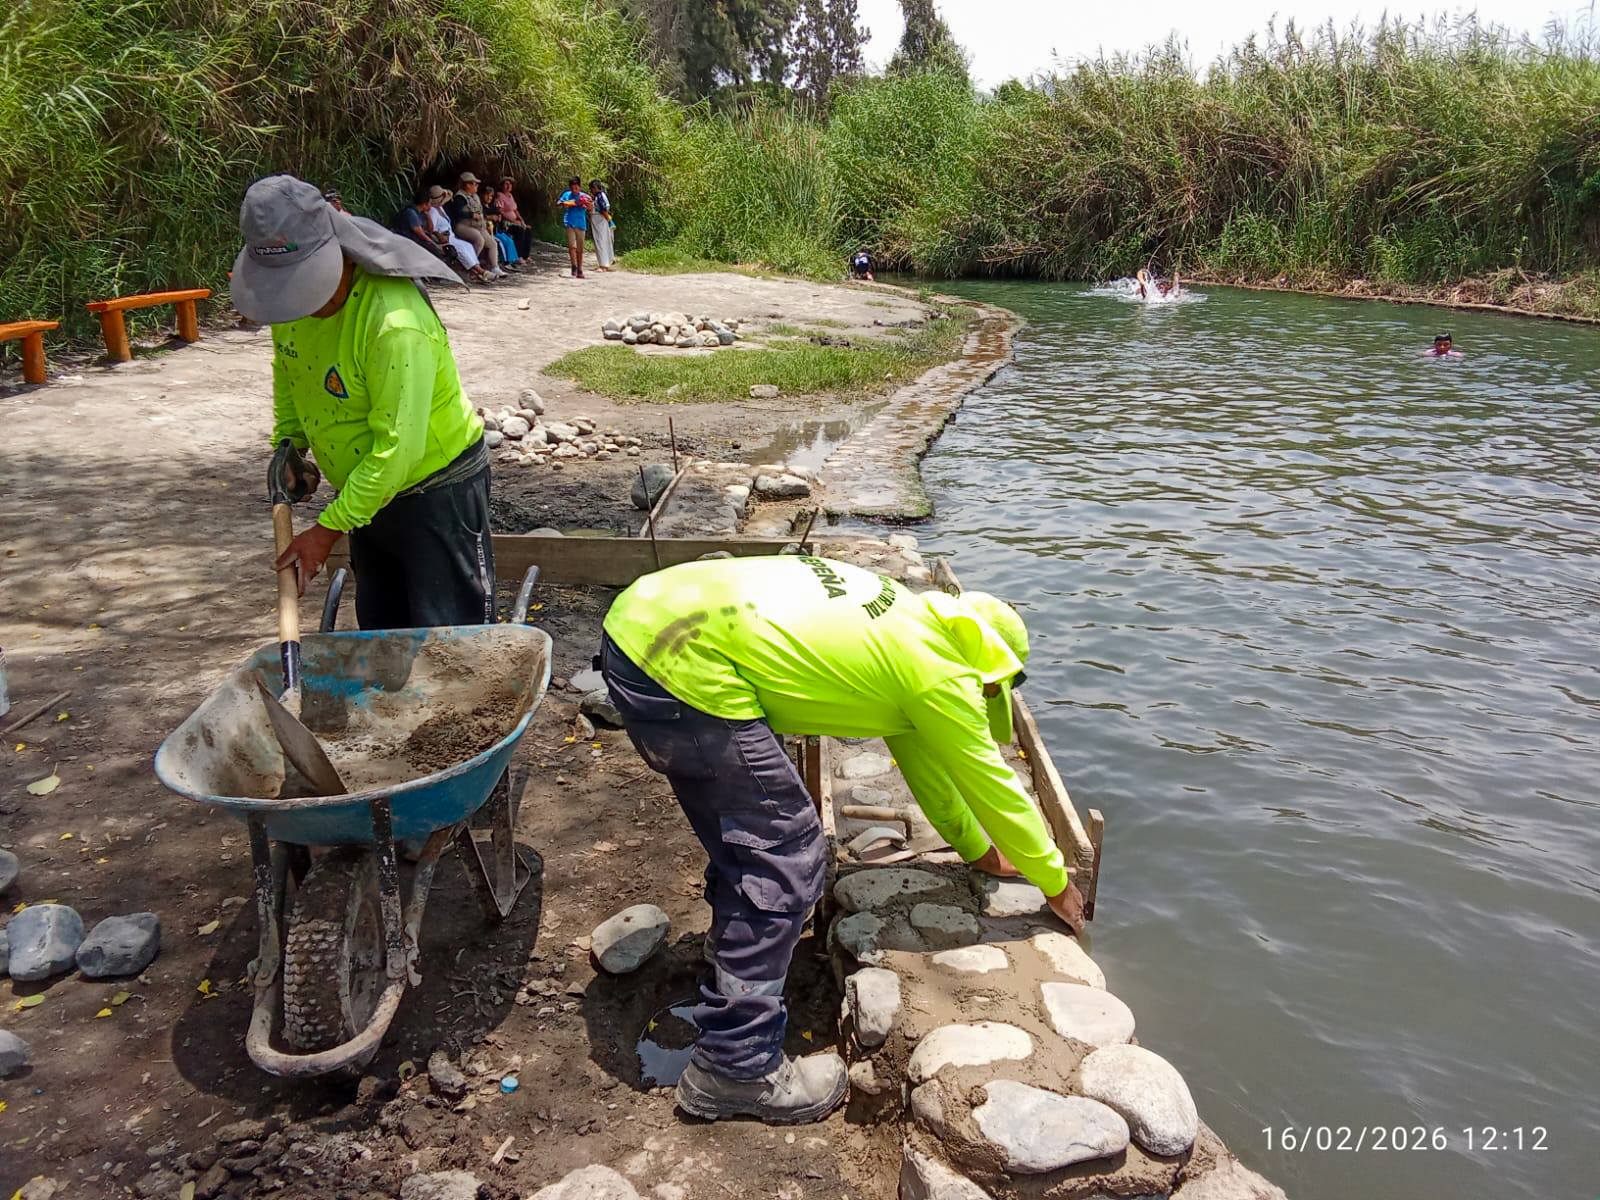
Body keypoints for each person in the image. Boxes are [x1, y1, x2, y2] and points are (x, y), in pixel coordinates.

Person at [599, 555, 1086, 1124]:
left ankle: (737, 959)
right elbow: (995, 782)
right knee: (786, 850)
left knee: (748, 827)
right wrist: (1053, 880)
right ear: (990, 673)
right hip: (683, 663)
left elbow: (930, 773)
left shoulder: (909, 620)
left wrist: (980, 852)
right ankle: (734, 1066)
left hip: (642, 622)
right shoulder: (940, 673)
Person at [232, 174, 495, 629]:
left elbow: (397, 451)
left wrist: (326, 529)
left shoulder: (393, 324)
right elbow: (291, 368)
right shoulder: (292, 308)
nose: (297, 305)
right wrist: (289, 443)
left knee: (451, 639)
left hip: (435, 489)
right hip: (367, 493)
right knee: (383, 631)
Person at [394, 187, 487, 284]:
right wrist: (434, 244)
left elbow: (429, 229)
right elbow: (420, 233)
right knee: (438, 250)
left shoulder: (421, 213)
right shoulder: (411, 213)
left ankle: (470, 271)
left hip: (417, 239)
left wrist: (428, 216)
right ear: (425, 204)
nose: (431, 206)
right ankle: (437, 276)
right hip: (408, 241)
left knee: (451, 248)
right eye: (429, 203)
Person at [445, 172, 503, 279]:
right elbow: (459, 213)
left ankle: (495, 267)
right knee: (479, 240)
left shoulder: (475, 197)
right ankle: (472, 267)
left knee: (492, 243)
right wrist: (472, 215)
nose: (476, 186)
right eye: (474, 184)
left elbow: (481, 211)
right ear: (467, 185)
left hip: (478, 226)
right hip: (463, 226)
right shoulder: (460, 197)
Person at [425, 189, 489, 283]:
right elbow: (431, 228)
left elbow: (449, 196)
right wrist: (439, 236)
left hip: (451, 237)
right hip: (443, 238)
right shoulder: (433, 211)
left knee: (468, 246)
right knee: (460, 248)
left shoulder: (440, 208)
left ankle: (474, 271)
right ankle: (481, 271)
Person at [482, 185, 521, 272]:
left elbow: (499, 213)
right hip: (488, 231)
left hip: (496, 230)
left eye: (491, 196)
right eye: (487, 195)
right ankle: (505, 262)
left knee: (509, 240)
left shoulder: (492, 207)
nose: (489, 197)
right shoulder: (481, 207)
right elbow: (482, 216)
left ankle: (512, 260)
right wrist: (490, 217)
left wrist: (498, 216)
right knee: (501, 242)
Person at [557, 176, 590, 278]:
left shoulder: (585, 196)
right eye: (572, 188)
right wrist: (569, 203)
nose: (574, 190)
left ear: (580, 187)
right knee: (572, 246)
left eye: (576, 187)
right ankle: (574, 266)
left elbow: (591, 207)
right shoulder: (567, 194)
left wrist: (585, 204)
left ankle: (580, 268)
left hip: (580, 224)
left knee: (580, 248)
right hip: (570, 222)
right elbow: (558, 203)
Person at [495, 177, 534, 259]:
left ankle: (525, 255)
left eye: (510, 184)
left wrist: (521, 220)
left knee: (528, 230)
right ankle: (518, 256)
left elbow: (515, 210)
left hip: (515, 221)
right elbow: (500, 212)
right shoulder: (500, 196)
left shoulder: (510, 196)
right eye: (506, 184)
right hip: (506, 223)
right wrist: (513, 221)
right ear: (502, 186)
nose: (508, 186)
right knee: (519, 230)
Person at [589, 179, 616, 270]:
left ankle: (603, 265)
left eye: (592, 188)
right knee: (603, 241)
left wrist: (608, 219)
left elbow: (603, 209)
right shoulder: (599, 196)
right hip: (599, 221)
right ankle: (605, 263)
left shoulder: (600, 196)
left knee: (601, 242)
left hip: (600, 221)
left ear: (595, 188)